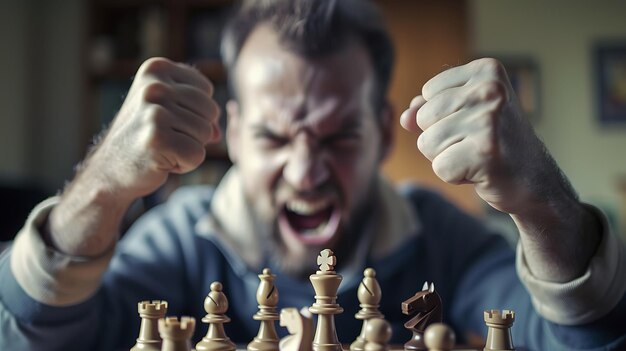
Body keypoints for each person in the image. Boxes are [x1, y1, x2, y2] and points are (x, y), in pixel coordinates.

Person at [1, 0, 625, 350]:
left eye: (339, 135)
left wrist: (543, 203)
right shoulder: (183, 239)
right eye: (274, 135)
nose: (305, 170)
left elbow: (583, 341)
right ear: (236, 132)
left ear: (385, 131)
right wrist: (100, 186)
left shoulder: (443, 240)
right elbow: (26, 335)